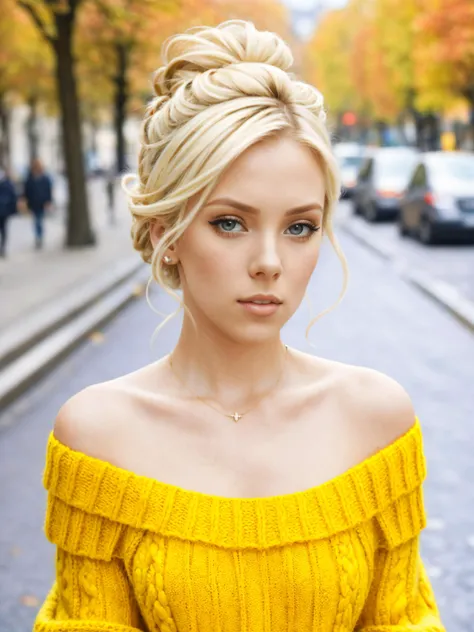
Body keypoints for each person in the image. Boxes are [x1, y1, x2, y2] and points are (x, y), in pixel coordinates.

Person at [34, 20, 445, 632]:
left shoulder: (376, 419)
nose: (270, 263)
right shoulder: (98, 436)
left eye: (299, 227)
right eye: (230, 222)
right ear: (163, 234)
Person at [24, 157, 52, 250]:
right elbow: (27, 190)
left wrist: (48, 201)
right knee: (36, 220)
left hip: (41, 203)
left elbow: (48, 190)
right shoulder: (30, 178)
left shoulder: (44, 177)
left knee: (38, 220)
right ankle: (38, 236)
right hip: (33, 203)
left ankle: (39, 237)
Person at [0, 167, 17, 258]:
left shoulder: (8, 185)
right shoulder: (8, 184)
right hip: (5, 211)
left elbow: (13, 198)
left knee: (3, 230)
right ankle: (2, 248)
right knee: (4, 230)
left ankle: (3, 248)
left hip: (4, 211)